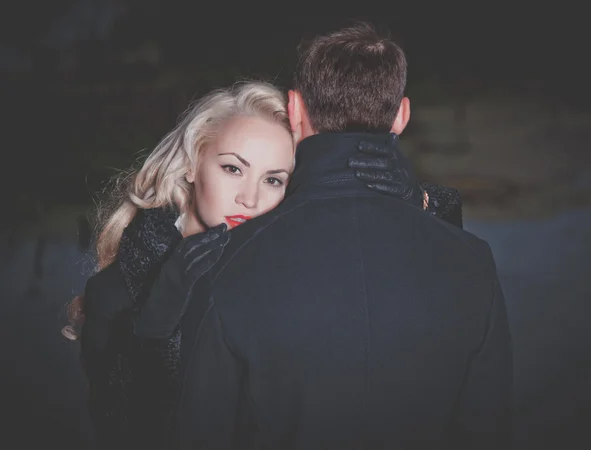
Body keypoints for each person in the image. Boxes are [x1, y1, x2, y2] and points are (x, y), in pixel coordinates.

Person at [144, 22, 512, 449]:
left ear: (295, 111)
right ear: (401, 116)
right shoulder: (474, 261)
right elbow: (488, 430)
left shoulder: (226, 262)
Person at [67, 79, 464, 449]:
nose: (250, 198)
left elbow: (443, 306)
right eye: (233, 168)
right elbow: (125, 432)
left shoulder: (296, 272)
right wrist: (154, 330)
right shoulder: (114, 292)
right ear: (191, 164)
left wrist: (420, 207)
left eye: (274, 180)